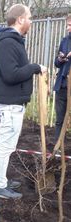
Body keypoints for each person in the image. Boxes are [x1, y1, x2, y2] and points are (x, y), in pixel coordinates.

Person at [0, 4, 46, 199]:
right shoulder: (7, 43)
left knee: (7, 145)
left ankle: (0, 178)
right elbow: (11, 75)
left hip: (12, 103)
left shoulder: (13, 41)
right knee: (4, 145)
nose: (31, 21)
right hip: (10, 104)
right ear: (20, 19)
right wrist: (35, 67)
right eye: (29, 17)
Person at [53, 14, 71, 142]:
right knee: (59, 119)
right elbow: (57, 63)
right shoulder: (64, 41)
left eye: (70, 25)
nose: (68, 28)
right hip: (62, 85)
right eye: (67, 25)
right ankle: (57, 147)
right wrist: (60, 59)